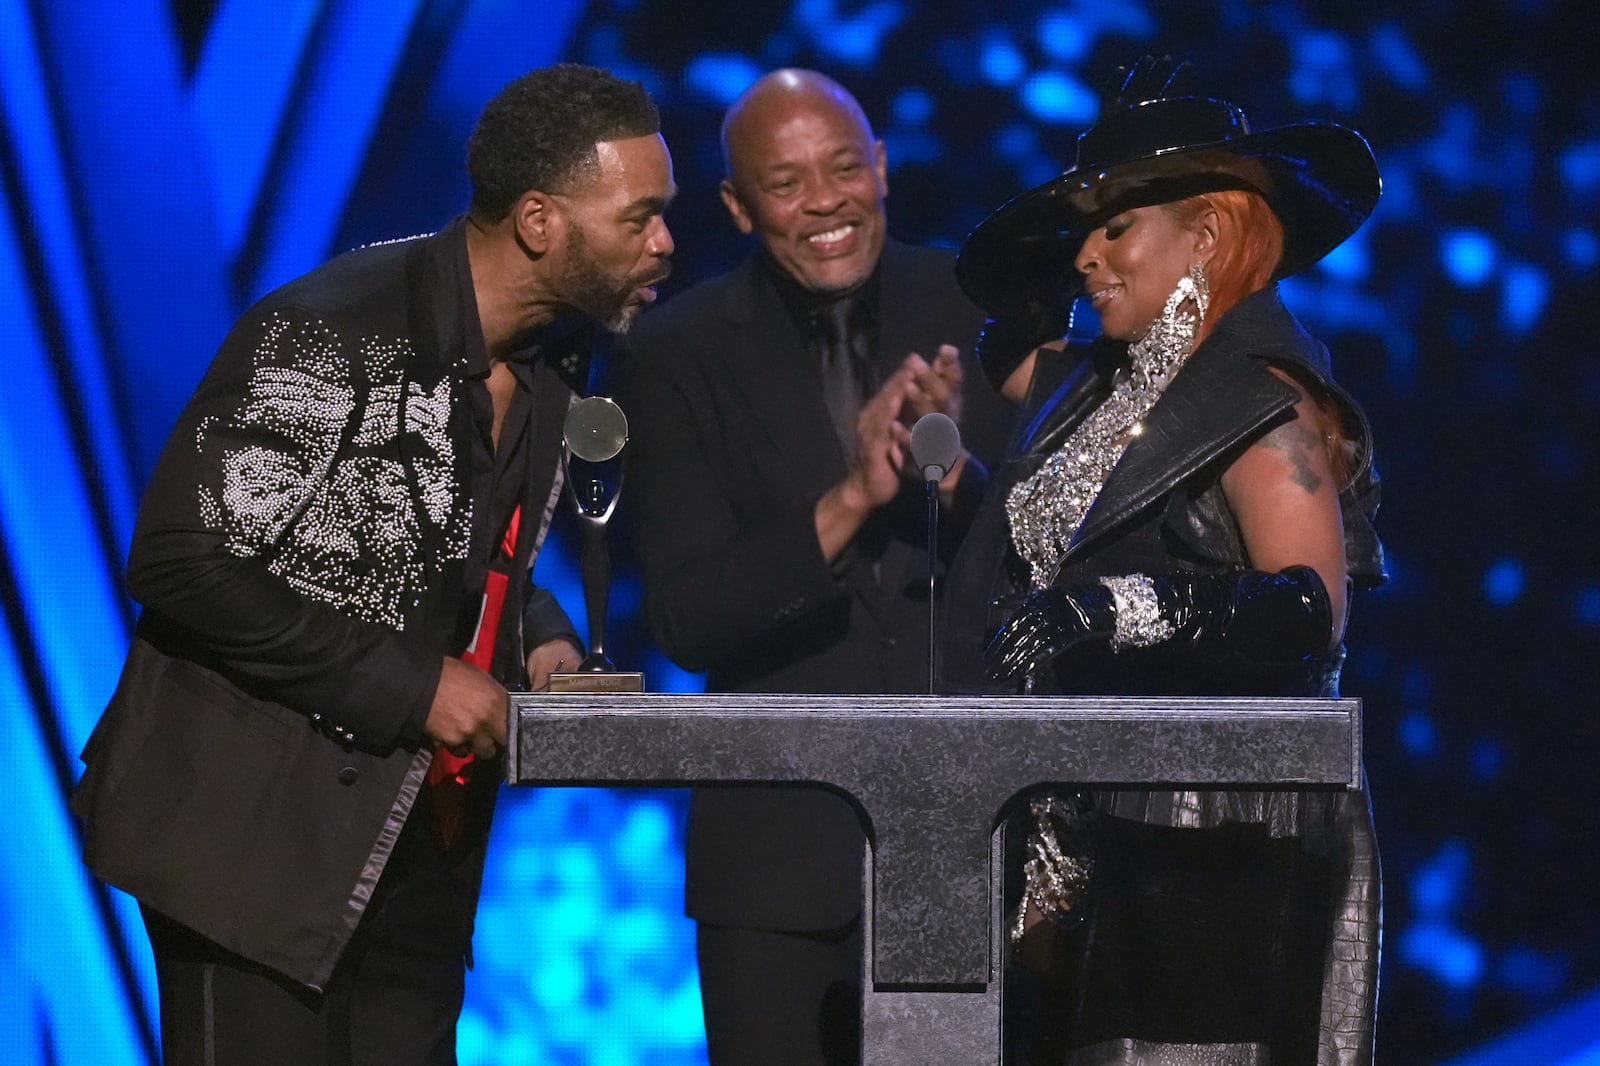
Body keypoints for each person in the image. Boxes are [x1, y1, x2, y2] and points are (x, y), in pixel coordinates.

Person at [70, 64, 675, 1066]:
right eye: (639, 218)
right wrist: (418, 685)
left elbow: (443, 557)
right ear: (538, 221)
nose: (663, 245)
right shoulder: (337, 331)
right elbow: (187, 558)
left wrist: (546, 637)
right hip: (255, 851)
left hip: (416, 851)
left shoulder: (548, 366)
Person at [941, 57, 1385, 1064]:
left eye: (1116, 227)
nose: (1088, 255)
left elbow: (1308, 608)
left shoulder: (1258, 402)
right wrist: (1086, 226)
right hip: (1068, 824)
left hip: (1200, 835)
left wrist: (1119, 608)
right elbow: (1005, 315)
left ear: (1210, 234)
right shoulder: (1102, 387)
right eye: (1087, 231)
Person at [619, 68, 1011, 1065]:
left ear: (881, 168)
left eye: (844, 167)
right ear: (738, 208)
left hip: (973, 840)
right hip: (776, 866)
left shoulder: (981, 303)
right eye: (786, 184)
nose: (826, 200)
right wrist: (851, 500)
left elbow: (1041, 574)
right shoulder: (677, 352)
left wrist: (948, 476)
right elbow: (689, 616)